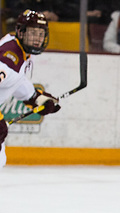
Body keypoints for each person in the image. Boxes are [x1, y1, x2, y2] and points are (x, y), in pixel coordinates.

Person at [0, 10, 61, 171]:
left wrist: (36, 98)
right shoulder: (9, 57)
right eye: (33, 33)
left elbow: (15, 81)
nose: (38, 39)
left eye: (41, 34)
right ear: (20, 32)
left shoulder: (23, 51)